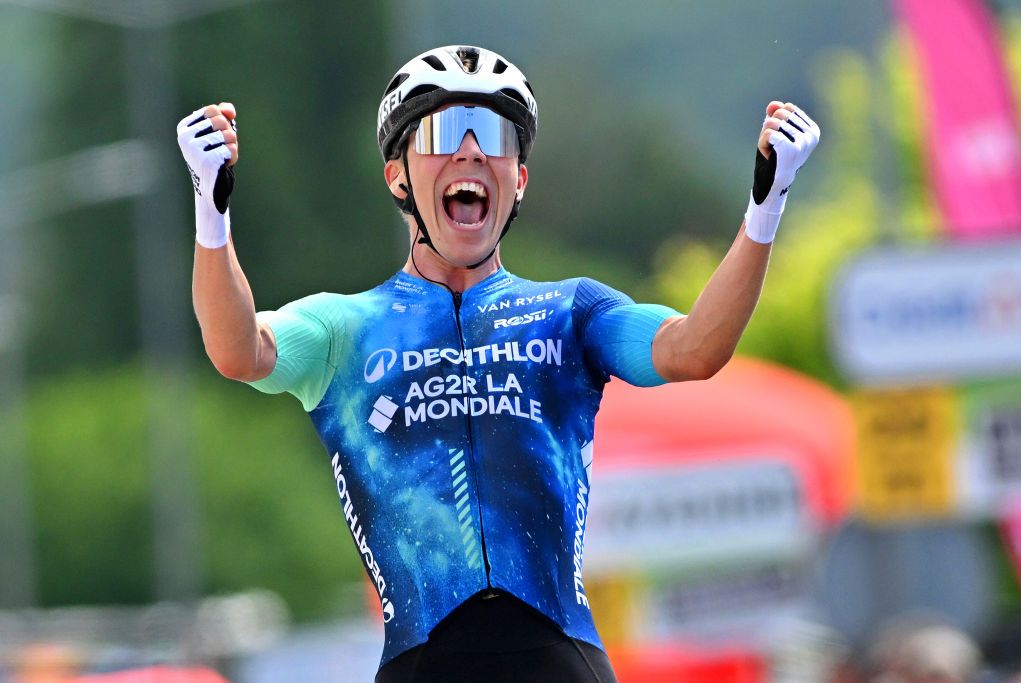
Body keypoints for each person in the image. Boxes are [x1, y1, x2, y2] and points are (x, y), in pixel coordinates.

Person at [179, 45, 819, 682]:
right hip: (421, 661)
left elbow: (694, 349)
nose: (470, 150)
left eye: (493, 134)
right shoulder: (344, 327)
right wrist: (212, 214)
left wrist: (765, 208)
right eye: (439, 133)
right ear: (398, 178)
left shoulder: (571, 312)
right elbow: (238, 350)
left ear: (519, 179)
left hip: (557, 659)